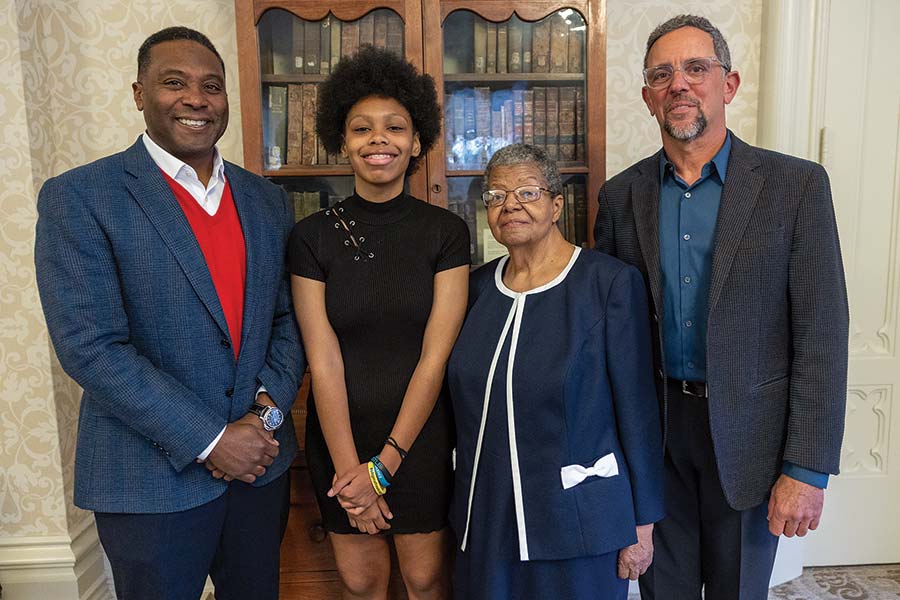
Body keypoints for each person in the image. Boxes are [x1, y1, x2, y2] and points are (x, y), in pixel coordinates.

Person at [33, 27, 304, 600]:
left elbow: (287, 320)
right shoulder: (81, 197)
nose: (196, 99)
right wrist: (211, 439)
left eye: (212, 86)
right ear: (138, 93)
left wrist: (265, 419)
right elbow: (91, 348)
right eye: (174, 83)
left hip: (261, 469)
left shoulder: (266, 200)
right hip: (148, 481)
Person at [594, 14, 849, 599]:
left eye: (696, 68)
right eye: (662, 74)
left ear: (727, 85)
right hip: (654, 440)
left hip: (752, 441)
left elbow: (822, 335)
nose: (679, 83)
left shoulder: (796, 187)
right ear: (648, 98)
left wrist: (806, 469)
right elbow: (608, 337)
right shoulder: (620, 195)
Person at [288, 46, 470, 600]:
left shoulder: (446, 232)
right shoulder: (310, 237)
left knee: (425, 580)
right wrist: (353, 476)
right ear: (342, 141)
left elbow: (434, 358)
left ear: (417, 142)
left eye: (395, 127)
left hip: (420, 440)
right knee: (362, 583)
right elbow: (322, 359)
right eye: (361, 128)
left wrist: (384, 466)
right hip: (340, 440)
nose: (378, 139)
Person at [448, 143, 665, 600]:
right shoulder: (473, 290)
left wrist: (642, 524)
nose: (510, 205)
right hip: (486, 521)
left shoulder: (608, 284)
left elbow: (638, 413)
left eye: (527, 192)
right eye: (496, 196)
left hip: (578, 522)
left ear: (557, 204)